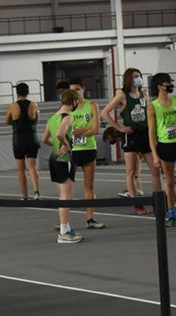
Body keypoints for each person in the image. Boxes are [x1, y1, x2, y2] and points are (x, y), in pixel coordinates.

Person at [101, 68, 155, 215]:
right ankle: (136, 203)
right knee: (131, 171)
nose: (139, 79)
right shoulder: (122, 95)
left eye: (140, 76)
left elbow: (149, 113)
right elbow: (104, 112)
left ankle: (160, 200)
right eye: (136, 76)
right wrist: (119, 127)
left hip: (145, 133)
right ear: (129, 79)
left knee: (155, 169)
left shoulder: (145, 94)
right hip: (131, 134)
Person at [147, 72, 176, 227]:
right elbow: (152, 133)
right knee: (170, 182)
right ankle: (172, 214)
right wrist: (154, 155)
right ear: (160, 86)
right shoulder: (153, 107)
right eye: (168, 83)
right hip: (165, 146)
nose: (171, 86)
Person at [42, 90, 83, 243]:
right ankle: (64, 232)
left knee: (62, 195)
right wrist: (66, 145)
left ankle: (65, 227)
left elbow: (45, 138)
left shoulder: (52, 118)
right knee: (66, 196)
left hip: (54, 158)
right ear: (73, 101)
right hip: (64, 159)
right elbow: (60, 134)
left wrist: (58, 146)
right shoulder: (68, 117)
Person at [67, 78, 106, 229]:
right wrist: (83, 130)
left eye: (77, 89)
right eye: (72, 90)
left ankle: (90, 219)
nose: (75, 92)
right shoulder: (69, 108)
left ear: (83, 89)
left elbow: (96, 129)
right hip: (72, 150)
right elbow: (67, 131)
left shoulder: (92, 106)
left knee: (89, 185)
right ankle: (64, 221)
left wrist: (77, 132)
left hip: (88, 148)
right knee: (67, 186)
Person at [6, 82, 40, 200]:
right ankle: (36, 192)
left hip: (18, 139)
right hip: (31, 138)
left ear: (17, 93)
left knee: (21, 169)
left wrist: (15, 122)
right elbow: (36, 120)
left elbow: (7, 120)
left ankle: (25, 196)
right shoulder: (34, 105)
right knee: (32, 167)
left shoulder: (13, 106)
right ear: (28, 92)